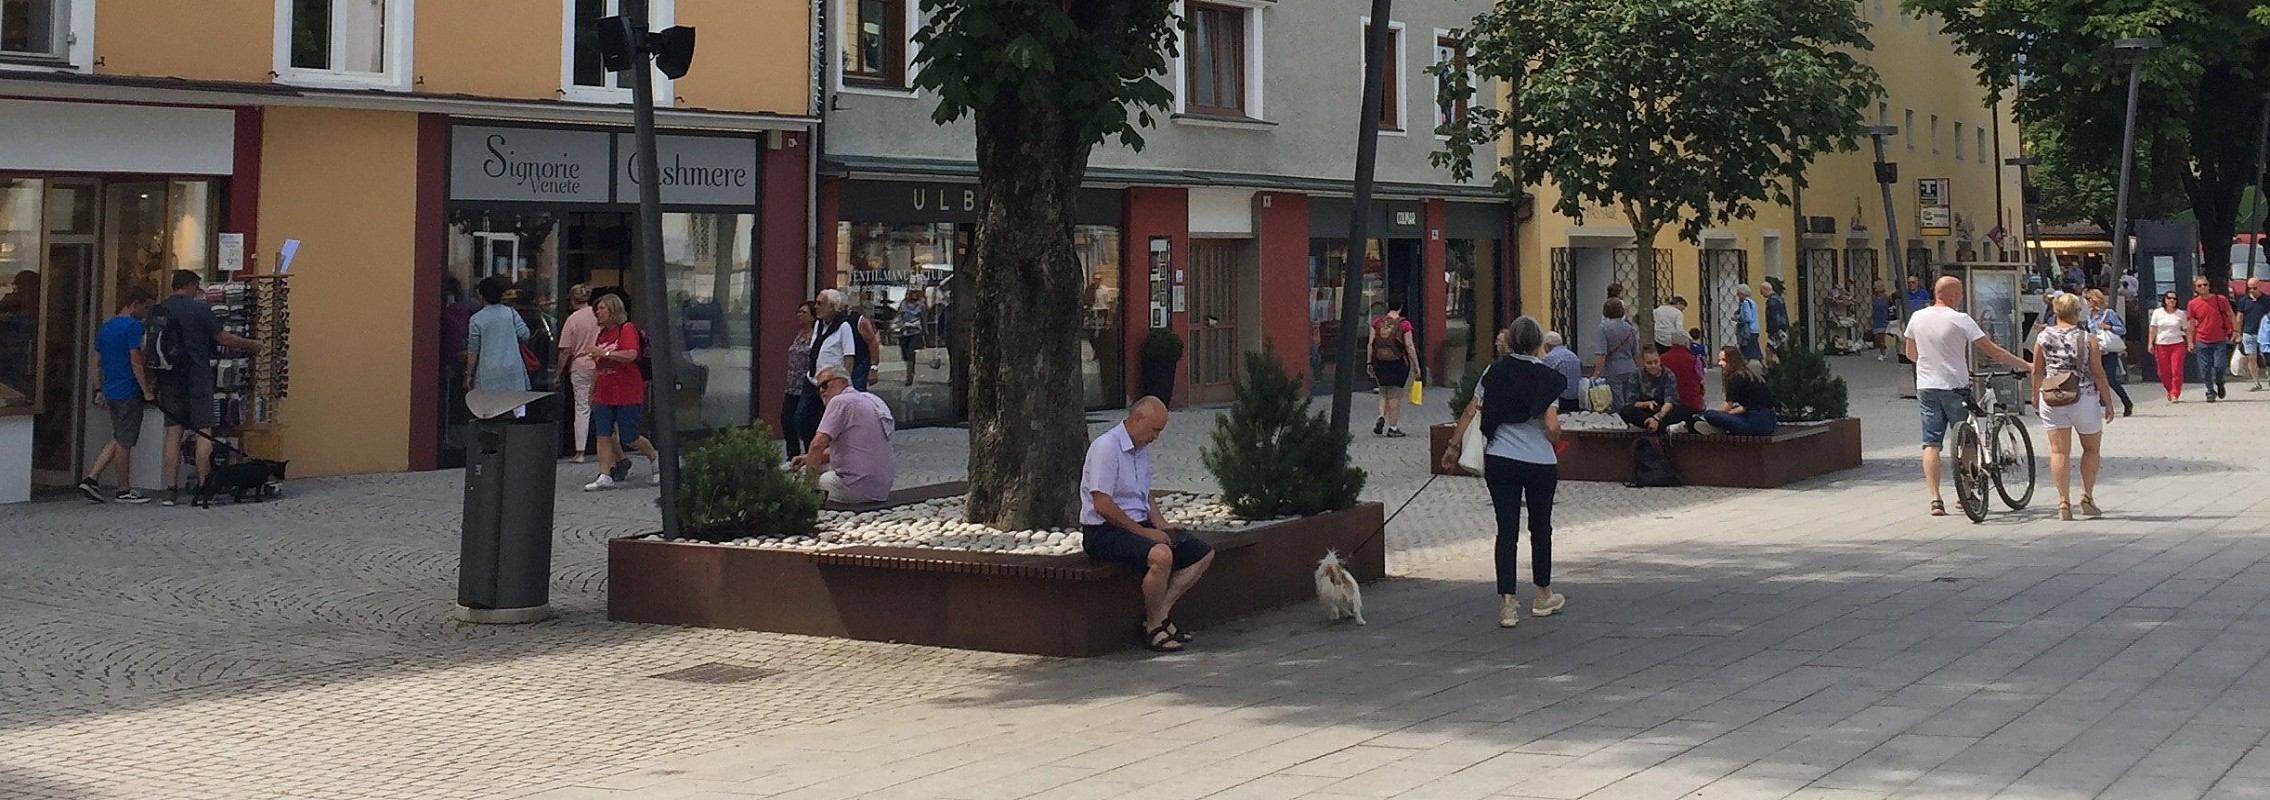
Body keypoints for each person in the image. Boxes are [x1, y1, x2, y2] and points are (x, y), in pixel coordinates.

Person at [1442, 317, 1567, 629]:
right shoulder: (1548, 378)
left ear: (1511, 341)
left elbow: (1471, 410)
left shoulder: (1493, 372)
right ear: (1539, 344)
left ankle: (1508, 604)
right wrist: (1554, 436)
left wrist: (1453, 446)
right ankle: (1542, 594)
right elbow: (1551, 425)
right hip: (1540, 462)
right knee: (1541, 527)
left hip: (1501, 459)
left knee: (1506, 530)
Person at [1080, 396, 1213, 652]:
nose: (1156, 437)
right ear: (1138, 419)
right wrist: (1144, 533)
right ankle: (1152, 628)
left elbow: (1144, 493)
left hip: (1136, 525)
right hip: (1104, 531)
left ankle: (1160, 614)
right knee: (1161, 555)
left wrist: (1160, 524)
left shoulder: (1140, 449)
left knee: (1202, 553)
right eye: (1155, 430)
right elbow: (1102, 504)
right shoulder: (1106, 448)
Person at [1904, 275, 2030, 517]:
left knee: (1931, 443)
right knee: (1967, 439)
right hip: (1955, 386)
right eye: (1960, 292)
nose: (1961, 297)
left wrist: (1932, 364)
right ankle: (1966, 493)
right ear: (1951, 295)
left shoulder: (1917, 317)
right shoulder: (1960, 319)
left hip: (1927, 387)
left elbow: (1911, 353)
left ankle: (1935, 500)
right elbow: (1993, 351)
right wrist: (2026, 365)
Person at [155, 270, 267, 507]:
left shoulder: (160, 309)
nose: (199, 292)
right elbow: (225, 339)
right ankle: (205, 485)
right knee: (203, 431)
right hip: (197, 376)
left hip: (169, 379)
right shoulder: (198, 309)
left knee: (173, 433)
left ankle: (170, 490)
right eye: (197, 287)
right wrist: (252, 344)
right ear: (189, 285)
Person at [2033, 293, 2116, 521]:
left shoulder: (2043, 337)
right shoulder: (2087, 338)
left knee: (2059, 451)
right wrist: (2108, 402)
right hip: (2084, 397)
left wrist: (2035, 396)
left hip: (2052, 396)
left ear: (2056, 312)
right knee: (2091, 448)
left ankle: (2063, 502)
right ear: (2077, 313)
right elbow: (2098, 373)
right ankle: (2087, 497)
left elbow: (2037, 370)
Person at [78, 287, 158, 504]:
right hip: (128, 389)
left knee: (119, 436)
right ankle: (123, 489)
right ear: (135, 304)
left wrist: (98, 389)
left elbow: (96, 361)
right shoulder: (133, 326)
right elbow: (135, 361)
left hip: (111, 389)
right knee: (125, 442)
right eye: (146, 307)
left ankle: (92, 478)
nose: (146, 313)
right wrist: (146, 390)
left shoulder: (106, 326)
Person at [580, 293, 660, 490]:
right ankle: (604, 474)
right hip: (604, 391)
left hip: (627, 390)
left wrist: (605, 352)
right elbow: (598, 367)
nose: (598, 312)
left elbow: (631, 354)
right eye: (597, 309)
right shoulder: (601, 335)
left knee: (629, 436)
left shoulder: (626, 329)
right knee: (603, 434)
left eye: (602, 308)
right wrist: (592, 390)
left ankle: (654, 457)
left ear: (613, 309)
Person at [792, 364, 896, 503]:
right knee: (812, 466)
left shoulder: (840, 401)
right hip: (881, 488)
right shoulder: (870, 399)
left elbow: (817, 445)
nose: (821, 391)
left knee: (802, 476)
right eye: (818, 388)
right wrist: (807, 458)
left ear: (842, 381)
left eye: (825, 385)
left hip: (857, 488)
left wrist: (808, 486)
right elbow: (851, 449)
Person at [556, 284, 600, 463]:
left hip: (580, 365)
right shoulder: (598, 315)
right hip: (600, 364)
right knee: (605, 406)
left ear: (572, 299)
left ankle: (580, 451)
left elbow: (565, 351)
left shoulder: (572, 320)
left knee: (582, 408)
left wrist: (558, 373)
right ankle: (613, 447)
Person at [465, 276, 531, 395]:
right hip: (513, 370)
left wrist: (469, 374)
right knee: (514, 403)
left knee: (489, 404)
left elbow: (473, 350)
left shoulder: (476, 319)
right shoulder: (511, 313)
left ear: (481, 296)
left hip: (487, 372)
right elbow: (525, 335)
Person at [1691, 347, 1778, 435]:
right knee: (1733, 411)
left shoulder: (1736, 377)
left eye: (1724, 360)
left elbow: (1726, 408)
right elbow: (1746, 407)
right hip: (1770, 421)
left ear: (1732, 361)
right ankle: (1718, 429)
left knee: (1709, 414)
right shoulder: (1750, 374)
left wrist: (1719, 416)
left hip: (1754, 423)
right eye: (1719, 360)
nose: (1720, 363)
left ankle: (1717, 429)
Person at [1367, 304, 1419, 436]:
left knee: (1383, 391)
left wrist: (1369, 362)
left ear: (1387, 306)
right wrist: (1416, 366)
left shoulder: (1377, 322)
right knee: (1394, 395)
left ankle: (1381, 416)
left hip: (1379, 362)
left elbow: (1371, 343)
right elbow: (1409, 345)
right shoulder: (1404, 324)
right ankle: (1393, 428)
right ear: (1401, 307)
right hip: (1398, 363)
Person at [2186, 276, 2238, 402]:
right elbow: (2191, 323)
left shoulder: (2220, 299)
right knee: (2205, 369)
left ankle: (2220, 382)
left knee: (2220, 366)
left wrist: (2236, 331)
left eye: (2205, 284)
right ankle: (2210, 391)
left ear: (2209, 286)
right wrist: (2190, 341)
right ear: (2196, 288)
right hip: (2202, 339)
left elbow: (2231, 315)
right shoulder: (2192, 304)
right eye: (2199, 286)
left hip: (2219, 339)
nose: (2203, 287)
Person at [1617, 348, 1693, 433]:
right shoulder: (1636, 375)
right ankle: (1654, 424)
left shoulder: (1668, 374)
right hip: (1644, 411)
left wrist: (1657, 417)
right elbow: (1632, 402)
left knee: (1686, 410)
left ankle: (1652, 425)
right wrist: (1647, 404)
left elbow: (1670, 402)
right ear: (1643, 363)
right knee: (1625, 411)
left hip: (1663, 411)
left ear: (1660, 360)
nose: (1653, 366)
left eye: (1656, 362)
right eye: (1649, 363)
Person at [2086, 289, 2134, 417]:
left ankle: (2127, 402)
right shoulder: (2089, 315)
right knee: (2094, 378)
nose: (2087, 302)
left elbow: (2122, 330)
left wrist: (2108, 327)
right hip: (2095, 350)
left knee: (2110, 379)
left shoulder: (2108, 313)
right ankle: (2098, 406)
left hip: (2108, 350)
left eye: (2089, 299)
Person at [781, 301, 820, 458]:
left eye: (804, 312)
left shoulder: (815, 336)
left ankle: (810, 453)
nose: (800, 315)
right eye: (799, 312)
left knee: (802, 419)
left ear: (812, 317)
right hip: (792, 384)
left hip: (806, 384)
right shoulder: (799, 334)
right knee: (786, 419)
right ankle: (792, 453)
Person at [1592, 299, 1640, 409]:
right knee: (1630, 398)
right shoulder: (1629, 328)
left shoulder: (1603, 328)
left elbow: (1602, 353)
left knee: (1617, 401)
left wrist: (1596, 374)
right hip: (1630, 366)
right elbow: (1635, 351)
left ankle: (1621, 417)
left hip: (1612, 368)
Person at [2149, 291, 2189, 402]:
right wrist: (2150, 343)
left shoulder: (2180, 314)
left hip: (2177, 344)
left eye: (2174, 299)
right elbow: (2153, 328)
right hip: (2161, 344)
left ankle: (2175, 393)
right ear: (2165, 299)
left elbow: (2186, 329)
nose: (2172, 300)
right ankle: (2169, 389)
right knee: (2162, 372)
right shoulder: (2157, 313)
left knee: (2176, 370)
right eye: (2169, 298)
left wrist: (2190, 342)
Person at [2237, 278, 2269, 391]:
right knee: (2251, 358)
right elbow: (2239, 317)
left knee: (2267, 358)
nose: (2252, 290)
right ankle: (2256, 382)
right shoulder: (2243, 301)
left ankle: (2268, 376)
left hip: (2265, 335)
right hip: (2249, 333)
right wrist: (2238, 332)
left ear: (2259, 286)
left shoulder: (2267, 300)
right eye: (2249, 288)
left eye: (2254, 288)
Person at [1660, 335, 1706, 412]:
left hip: (1668, 404)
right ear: (1686, 343)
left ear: (1671, 343)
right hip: (1691, 403)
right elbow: (1701, 380)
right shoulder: (1694, 360)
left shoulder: (1662, 359)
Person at [1541, 331, 1583, 414]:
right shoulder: (1573, 355)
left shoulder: (1550, 357)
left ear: (1547, 345)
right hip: (1576, 400)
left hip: (1560, 401)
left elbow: (1542, 378)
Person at [898, 292, 927, 385]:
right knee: (905, 354)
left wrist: (925, 332)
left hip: (916, 332)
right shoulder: (903, 303)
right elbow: (899, 316)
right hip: (904, 332)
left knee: (911, 353)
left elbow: (923, 319)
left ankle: (909, 375)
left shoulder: (921, 305)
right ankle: (909, 369)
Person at [1762, 281, 1790, 366]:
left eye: (1762, 291)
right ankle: (1784, 366)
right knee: (1780, 350)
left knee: (1769, 350)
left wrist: (1774, 330)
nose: (1761, 294)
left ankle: (1771, 368)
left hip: (1776, 330)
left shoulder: (1772, 301)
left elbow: (1775, 316)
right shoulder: (1779, 298)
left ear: (1766, 289)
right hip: (1782, 328)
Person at [1735, 284, 1764, 363]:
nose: (1738, 295)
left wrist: (1737, 318)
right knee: (1755, 349)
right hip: (1755, 329)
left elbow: (1748, 318)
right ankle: (1762, 364)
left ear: (1742, 293)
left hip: (1748, 330)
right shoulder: (1752, 302)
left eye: (1738, 293)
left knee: (1746, 350)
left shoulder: (1745, 303)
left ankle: (1743, 366)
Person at [1871, 284, 1895, 361]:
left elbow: (1890, 308)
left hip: (1884, 319)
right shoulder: (1873, 298)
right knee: (1877, 338)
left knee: (1881, 337)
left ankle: (1882, 353)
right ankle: (1884, 348)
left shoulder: (1886, 298)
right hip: (1876, 319)